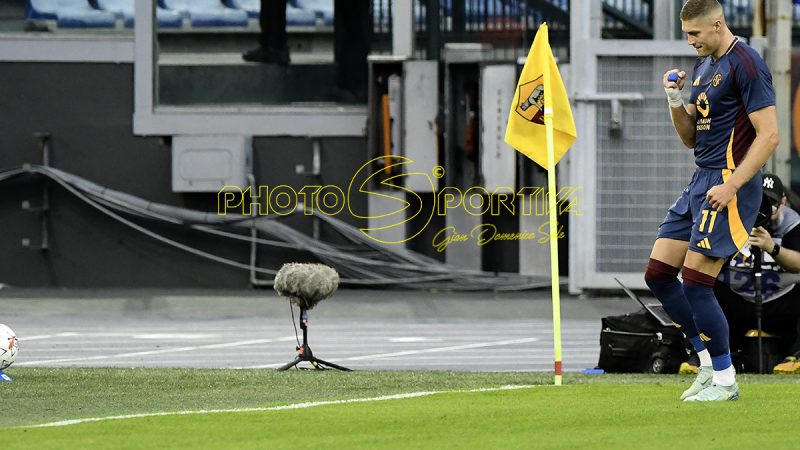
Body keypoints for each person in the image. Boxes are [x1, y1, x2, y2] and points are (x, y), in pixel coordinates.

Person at [643, 0, 779, 401]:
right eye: (687, 34)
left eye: (695, 34)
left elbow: (769, 135)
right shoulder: (704, 68)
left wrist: (733, 185)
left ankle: (725, 380)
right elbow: (690, 138)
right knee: (658, 274)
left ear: (717, 25)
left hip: (728, 184)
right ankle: (704, 363)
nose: (690, 42)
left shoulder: (747, 63)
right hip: (700, 180)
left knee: (698, 282)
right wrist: (673, 98)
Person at [714, 173, 800, 374]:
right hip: (737, 300)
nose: (762, 210)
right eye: (757, 201)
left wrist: (772, 248)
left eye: (770, 204)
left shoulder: (792, 223)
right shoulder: (730, 218)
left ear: (783, 203)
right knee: (701, 287)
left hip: (777, 301)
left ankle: (796, 356)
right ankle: (705, 355)